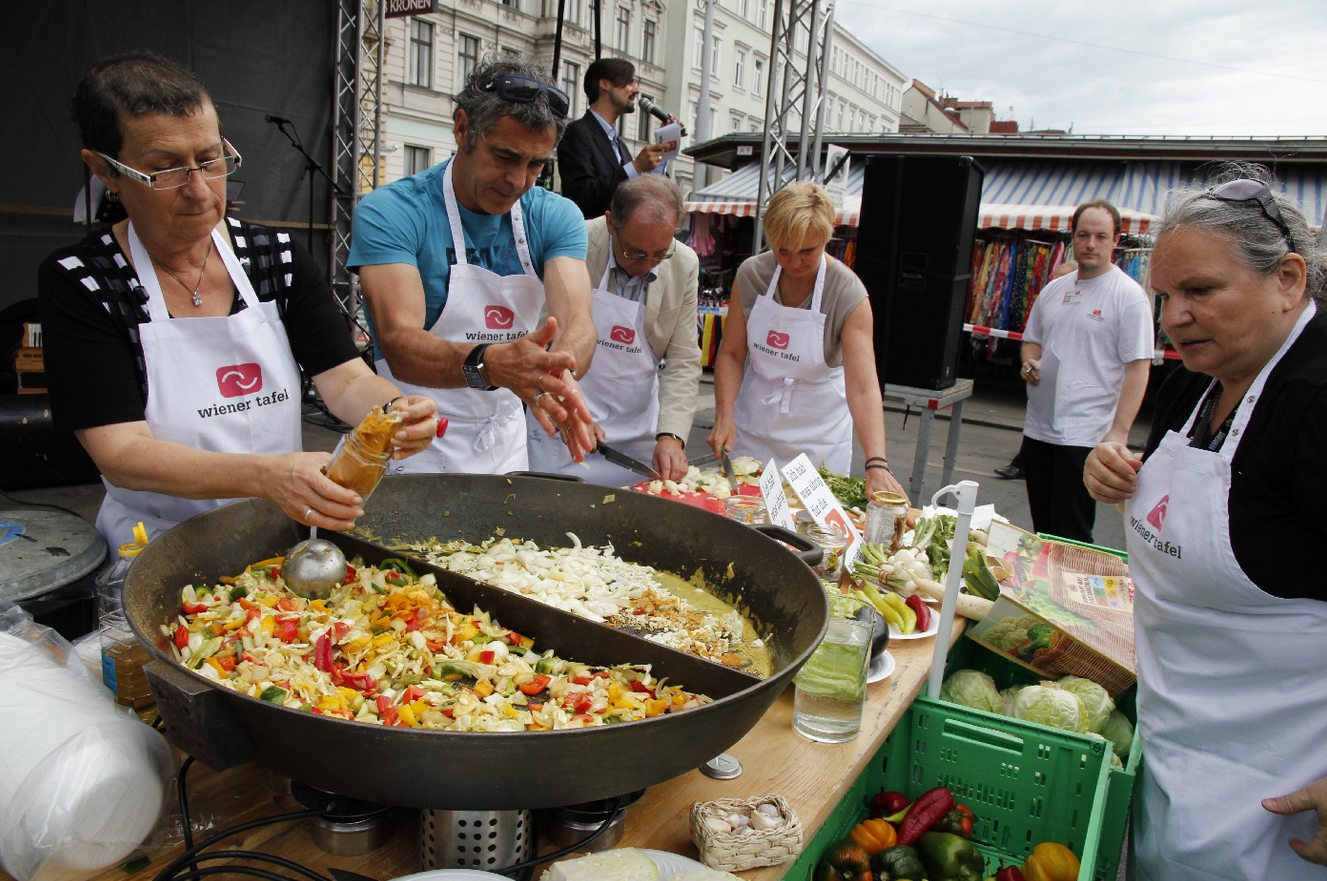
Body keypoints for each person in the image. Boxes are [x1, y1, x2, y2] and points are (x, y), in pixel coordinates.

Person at [36, 53, 439, 549]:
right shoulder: (83, 281)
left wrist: (394, 409)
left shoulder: (277, 257)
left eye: (210, 160)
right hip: (157, 544)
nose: (200, 191)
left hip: (280, 534)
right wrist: (266, 476)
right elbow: (120, 451)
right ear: (105, 170)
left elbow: (345, 380)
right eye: (164, 170)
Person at [1084, 167, 1327, 879]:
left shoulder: (1314, 402)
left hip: (1283, 791)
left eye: (1198, 292)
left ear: (1286, 279)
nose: (1171, 318)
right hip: (1174, 751)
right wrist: (1110, 472)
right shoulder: (1198, 374)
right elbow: (1171, 488)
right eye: (1163, 295)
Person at [349, 56, 597, 475]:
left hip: (504, 444)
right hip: (412, 441)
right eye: (505, 156)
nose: (518, 180)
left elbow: (579, 322)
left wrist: (557, 370)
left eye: (536, 164)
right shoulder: (392, 211)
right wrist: (493, 364)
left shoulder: (555, 215)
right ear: (463, 128)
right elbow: (399, 342)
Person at [707, 181, 906, 499]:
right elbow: (731, 354)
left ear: (828, 235)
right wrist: (724, 414)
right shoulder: (751, 275)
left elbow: (864, 386)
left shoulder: (848, 293)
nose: (794, 262)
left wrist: (876, 463)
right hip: (753, 430)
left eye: (807, 251)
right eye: (782, 250)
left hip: (818, 441)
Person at [526, 175, 701, 485]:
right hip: (563, 427)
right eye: (635, 252)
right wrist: (564, 404)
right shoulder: (576, 240)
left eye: (660, 253)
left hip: (637, 436)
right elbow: (541, 339)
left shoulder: (684, 263)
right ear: (611, 223)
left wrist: (671, 435)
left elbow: (684, 360)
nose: (648, 264)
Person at [1018, 201, 1151, 541]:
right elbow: (1032, 342)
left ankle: (1067, 595)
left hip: (1085, 436)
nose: (1091, 244)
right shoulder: (1054, 290)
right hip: (1039, 430)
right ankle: (1041, 594)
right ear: (1073, 238)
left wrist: (1119, 433)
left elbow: (1138, 368)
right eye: (1084, 235)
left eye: (1101, 236)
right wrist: (1029, 362)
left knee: (1072, 536)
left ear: (1116, 240)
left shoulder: (1128, 296)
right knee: (1042, 532)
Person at [995, 260, 1077, 481]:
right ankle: (1022, 463)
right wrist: (1029, 361)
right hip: (1044, 390)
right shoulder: (1049, 299)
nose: (1057, 284)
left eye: (1063, 279)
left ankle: (1022, 463)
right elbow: (1031, 340)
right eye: (1054, 279)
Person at [558, 58, 669, 220]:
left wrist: (663, 149)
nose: (636, 90)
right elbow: (579, 194)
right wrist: (635, 168)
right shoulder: (576, 132)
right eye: (629, 82)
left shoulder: (620, 145)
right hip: (591, 239)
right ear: (605, 84)